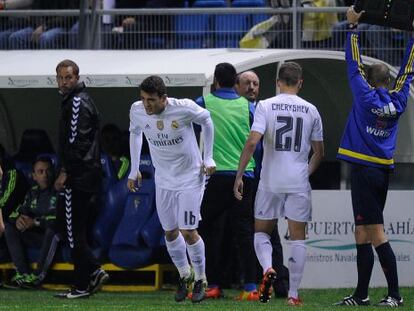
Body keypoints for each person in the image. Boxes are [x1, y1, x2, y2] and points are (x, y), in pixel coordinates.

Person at [334, 7, 413, 308]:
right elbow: (408, 70)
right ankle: (361, 294)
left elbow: (352, 65)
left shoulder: (364, 96)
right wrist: (413, 40)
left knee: (376, 233)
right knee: (361, 231)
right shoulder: (399, 99)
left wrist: (353, 29)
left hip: (365, 171)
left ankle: (395, 294)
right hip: (380, 171)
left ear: (368, 80)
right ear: (388, 80)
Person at [233, 62, 324, 306]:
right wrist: (306, 172)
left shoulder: (265, 105)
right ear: (300, 83)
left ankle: (267, 267)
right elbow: (319, 152)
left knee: (261, 232)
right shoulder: (311, 110)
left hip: (270, 180)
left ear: (277, 82)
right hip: (297, 181)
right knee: (298, 238)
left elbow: (252, 143)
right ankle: (293, 295)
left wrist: (240, 175)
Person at [127, 75, 216, 303]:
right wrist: (134, 169)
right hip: (164, 180)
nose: (147, 104)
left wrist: (208, 158)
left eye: (152, 100)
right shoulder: (137, 111)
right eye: (144, 99)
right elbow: (135, 133)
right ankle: (185, 275)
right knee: (169, 231)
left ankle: (201, 279)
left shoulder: (183, 108)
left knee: (188, 231)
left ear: (164, 98)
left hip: (190, 177)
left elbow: (207, 121)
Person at [196, 63, 258, 301]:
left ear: (216, 82)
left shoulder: (203, 103)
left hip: (217, 176)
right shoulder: (248, 106)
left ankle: (213, 284)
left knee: (207, 228)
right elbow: (257, 142)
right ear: (235, 83)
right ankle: (251, 287)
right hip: (246, 175)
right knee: (244, 231)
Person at [54, 59, 108, 299]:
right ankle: (90, 275)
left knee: (71, 231)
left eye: (68, 77)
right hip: (85, 175)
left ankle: (84, 282)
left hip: (79, 176)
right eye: (60, 78)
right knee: (74, 230)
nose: (64, 82)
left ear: (77, 78)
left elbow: (77, 142)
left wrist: (65, 171)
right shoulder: (75, 100)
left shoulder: (77, 102)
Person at [236, 70, 289, 298]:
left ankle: (274, 281)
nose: (252, 87)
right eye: (247, 83)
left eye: (256, 83)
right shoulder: (237, 110)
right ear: (236, 86)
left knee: (266, 231)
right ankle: (250, 279)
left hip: (260, 177)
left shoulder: (265, 109)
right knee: (253, 231)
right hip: (247, 176)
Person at [5, 157, 60, 288]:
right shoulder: (32, 193)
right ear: (34, 176)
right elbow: (15, 212)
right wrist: (18, 219)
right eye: (40, 172)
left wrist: (35, 222)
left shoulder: (59, 191)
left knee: (53, 231)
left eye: (48, 171)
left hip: (55, 238)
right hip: (37, 237)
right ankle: (23, 273)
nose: (45, 175)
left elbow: (59, 220)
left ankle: (37, 276)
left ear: (53, 172)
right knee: (9, 227)